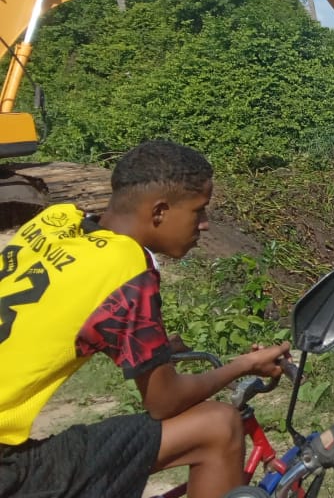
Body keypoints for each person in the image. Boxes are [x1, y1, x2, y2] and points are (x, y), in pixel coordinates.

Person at [0, 139, 291, 498]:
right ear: (159, 213)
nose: (205, 225)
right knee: (219, 425)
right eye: (199, 211)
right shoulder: (126, 267)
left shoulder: (52, 223)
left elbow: (52, 316)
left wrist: (158, 351)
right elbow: (163, 402)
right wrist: (243, 365)